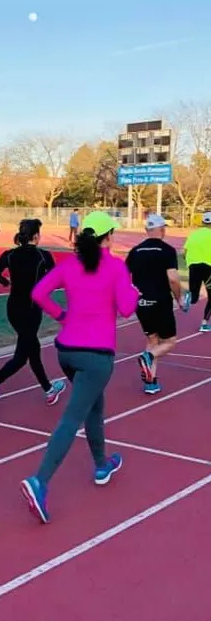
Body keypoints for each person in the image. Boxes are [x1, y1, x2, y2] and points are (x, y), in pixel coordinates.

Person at [20, 211, 140, 523]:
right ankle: (39, 481)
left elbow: (38, 294)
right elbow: (127, 309)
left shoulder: (71, 265)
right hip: (96, 356)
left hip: (66, 352)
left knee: (94, 408)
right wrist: (134, 291)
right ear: (108, 237)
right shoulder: (116, 267)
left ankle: (102, 464)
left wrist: (62, 316)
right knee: (72, 418)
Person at [0, 219, 66, 410]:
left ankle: (49, 390)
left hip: (13, 308)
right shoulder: (43, 256)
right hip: (32, 309)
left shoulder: (10, 254)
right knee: (22, 355)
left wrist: (5, 282)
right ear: (36, 236)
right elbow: (55, 279)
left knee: (32, 348)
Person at [126, 214, 190, 395]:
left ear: (147, 230)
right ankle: (149, 356)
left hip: (141, 303)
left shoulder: (135, 251)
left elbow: (123, 278)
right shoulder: (167, 250)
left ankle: (150, 382)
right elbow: (173, 279)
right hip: (161, 302)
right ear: (162, 229)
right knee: (169, 341)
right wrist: (179, 299)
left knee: (152, 339)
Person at [183, 211, 211, 332]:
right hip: (209, 267)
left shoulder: (193, 234)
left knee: (194, 297)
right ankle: (204, 323)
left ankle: (188, 297)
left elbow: (184, 253)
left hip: (193, 266)